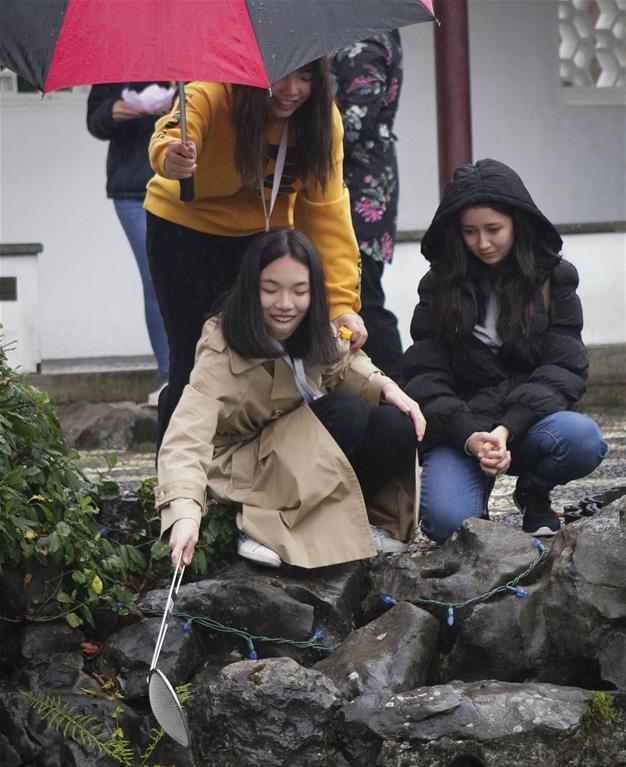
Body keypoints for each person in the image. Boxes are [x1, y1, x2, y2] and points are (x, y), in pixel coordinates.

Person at [156, 229, 425, 570]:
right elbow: (186, 435)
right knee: (346, 413)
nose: (285, 305)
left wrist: (386, 388)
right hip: (247, 466)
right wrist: (184, 513)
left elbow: (341, 362)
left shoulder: (313, 325)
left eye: (299, 291)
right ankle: (261, 526)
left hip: (298, 451)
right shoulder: (222, 345)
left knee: (395, 423)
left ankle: (360, 520)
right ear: (251, 289)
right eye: (270, 290)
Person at [144, 60, 365, 445]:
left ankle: (252, 471)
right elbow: (173, 131)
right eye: (282, 74)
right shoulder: (211, 91)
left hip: (263, 235)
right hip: (185, 232)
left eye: (306, 77)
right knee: (194, 359)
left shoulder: (323, 120)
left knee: (264, 361)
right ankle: (176, 481)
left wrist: (342, 303)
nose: (292, 89)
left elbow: (326, 213)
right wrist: (171, 156)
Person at [403, 159, 607, 542]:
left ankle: (533, 490)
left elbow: (565, 368)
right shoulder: (438, 285)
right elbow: (424, 376)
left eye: (494, 229)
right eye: (470, 232)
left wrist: (506, 426)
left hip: (529, 423)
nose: (483, 243)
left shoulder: (555, 278)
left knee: (583, 439)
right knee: (446, 522)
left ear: (517, 222)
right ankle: (473, 498)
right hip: (463, 429)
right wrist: (470, 435)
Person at [87, 83, 171, 403]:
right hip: (133, 191)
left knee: (187, 277)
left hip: (184, 186)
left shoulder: (185, 53)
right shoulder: (116, 56)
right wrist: (114, 110)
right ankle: (169, 377)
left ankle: (196, 373)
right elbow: (95, 122)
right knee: (155, 275)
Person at [332, 31, 405, 382]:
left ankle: (399, 387)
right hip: (358, 179)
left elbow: (355, 122)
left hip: (360, 188)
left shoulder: (364, 40)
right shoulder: (368, 29)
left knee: (363, 296)